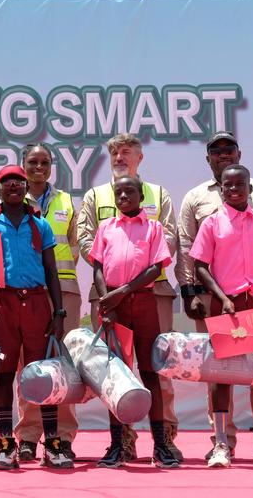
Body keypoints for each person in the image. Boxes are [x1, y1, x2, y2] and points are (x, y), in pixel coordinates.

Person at [175, 131, 253, 460]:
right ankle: (222, 442)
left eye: (229, 149)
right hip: (221, 301)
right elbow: (188, 249)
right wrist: (189, 291)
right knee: (221, 372)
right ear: (208, 159)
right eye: (217, 151)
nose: (224, 154)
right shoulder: (198, 201)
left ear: (240, 155)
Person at [76, 133, 182, 462]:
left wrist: (129, 285)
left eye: (126, 152)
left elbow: (167, 240)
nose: (120, 157)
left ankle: (163, 441)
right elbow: (88, 242)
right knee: (115, 373)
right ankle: (120, 443)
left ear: (139, 158)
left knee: (154, 370)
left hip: (149, 295)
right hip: (108, 299)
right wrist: (108, 291)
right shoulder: (97, 201)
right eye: (114, 153)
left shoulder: (158, 196)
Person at [0, 165, 71, 470]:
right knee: (4, 375)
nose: (13, 186)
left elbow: (51, 270)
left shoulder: (39, 224)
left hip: (37, 304)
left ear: (26, 187)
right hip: (2, 304)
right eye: (6, 182)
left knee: (44, 375)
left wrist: (59, 311)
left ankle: (52, 444)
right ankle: (6, 444)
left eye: (18, 181)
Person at [15, 143, 81, 461]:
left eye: (45, 161)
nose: (39, 167)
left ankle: (63, 436)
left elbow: (73, 246)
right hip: (26, 292)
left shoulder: (66, 200)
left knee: (63, 364)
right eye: (33, 161)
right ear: (23, 165)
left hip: (64, 290)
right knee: (28, 364)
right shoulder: (12, 198)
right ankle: (28, 435)